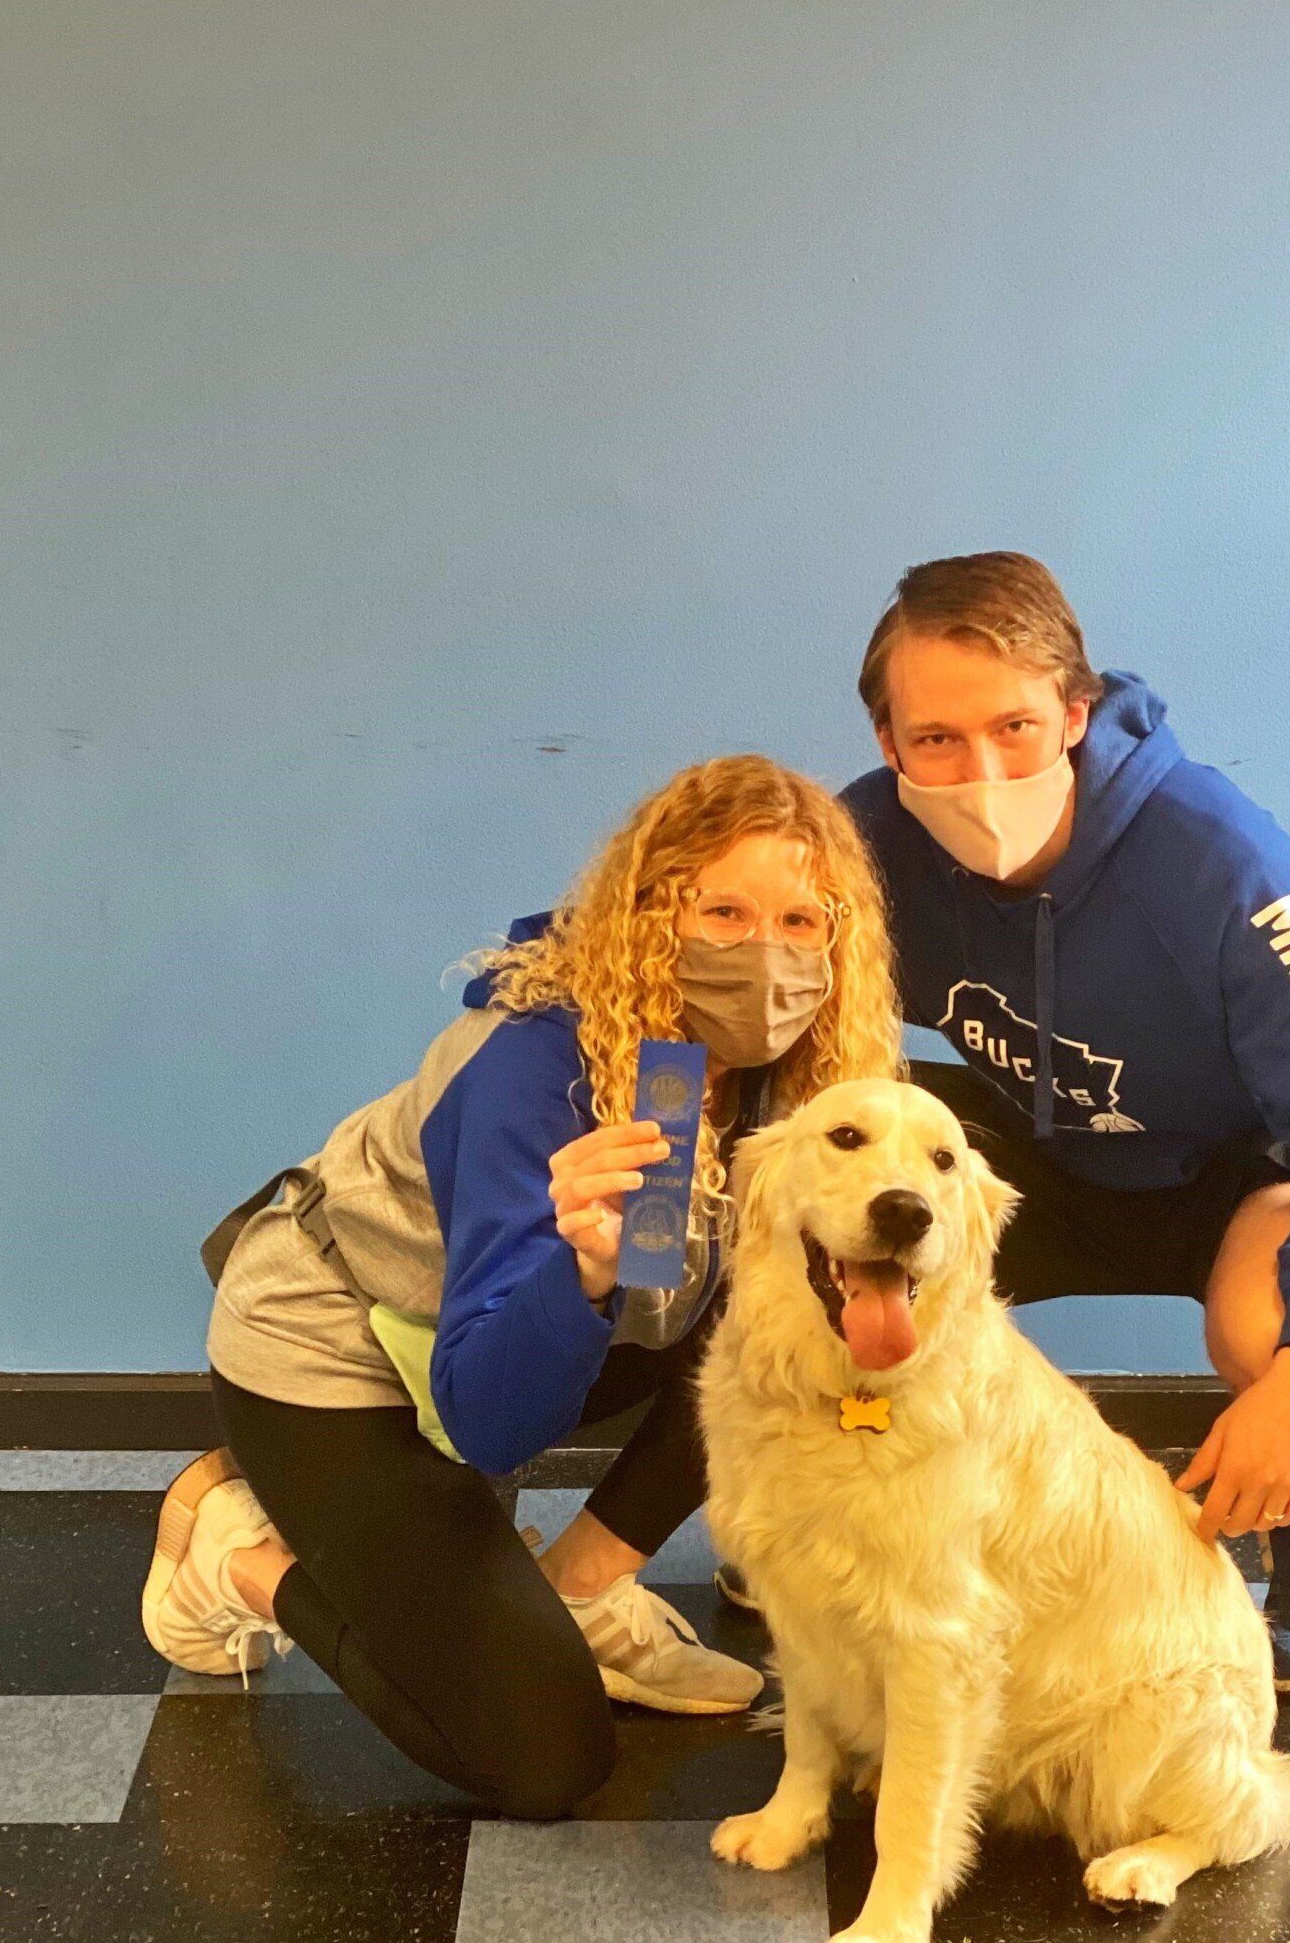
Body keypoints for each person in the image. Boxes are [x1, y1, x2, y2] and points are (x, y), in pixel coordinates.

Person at [142, 753, 902, 1815]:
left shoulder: (789, 1071)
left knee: (776, 1310)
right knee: (542, 1757)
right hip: (336, 1354)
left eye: (801, 922)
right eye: (721, 911)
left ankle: (581, 1591)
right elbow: (492, 1421)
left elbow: (755, 1316)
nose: (764, 957)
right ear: (649, 915)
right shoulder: (527, 1065)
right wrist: (581, 1266)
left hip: (493, 1343)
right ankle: (235, 1552)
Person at [780, 551, 1290, 1697]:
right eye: (936, 739)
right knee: (803, 1223)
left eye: (1016, 727)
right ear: (889, 742)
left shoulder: (1225, 864)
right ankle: (833, 1518)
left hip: (1226, 1179)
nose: (979, 770)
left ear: (1076, 711)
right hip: (1022, 1154)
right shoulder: (869, 840)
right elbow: (704, 934)